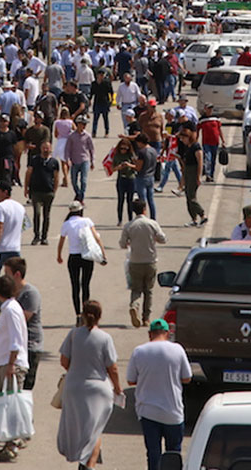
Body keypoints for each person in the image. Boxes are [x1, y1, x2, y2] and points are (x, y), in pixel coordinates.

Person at [56, 300, 122, 470]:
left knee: (79, 428)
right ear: (100, 317)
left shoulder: (73, 334)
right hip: (98, 389)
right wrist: (118, 388)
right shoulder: (105, 338)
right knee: (95, 430)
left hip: (74, 388)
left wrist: (77, 371)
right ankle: (89, 465)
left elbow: (64, 361)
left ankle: (84, 461)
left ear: (83, 315)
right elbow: (112, 368)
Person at [127, 318, 192, 470]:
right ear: (168, 333)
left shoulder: (139, 351)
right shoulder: (177, 350)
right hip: (173, 411)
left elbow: (130, 380)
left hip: (148, 411)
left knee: (153, 453)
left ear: (150, 334)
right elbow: (187, 378)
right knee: (173, 453)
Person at [0, 274, 31, 463]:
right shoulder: (10, 308)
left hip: (10, 363)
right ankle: (11, 440)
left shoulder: (11, 310)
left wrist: (11, 364)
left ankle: (12, 443)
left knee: (8, 404)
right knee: (2, 402)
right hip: (5, 361)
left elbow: (15, 340)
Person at [119, 199, 166, 328]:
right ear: (145, 209)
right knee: (149, 291)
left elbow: (122, 244)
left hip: (135, 261)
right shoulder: (152, 223)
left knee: (136, 289)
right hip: (150, 260)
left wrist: (130, 242)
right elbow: (163, 239)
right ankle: (146, 318)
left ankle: (134, 305)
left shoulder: (129, 225)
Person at [57, 202, 106, 322]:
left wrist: (59, 255)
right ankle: (86, 311)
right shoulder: (87, 221)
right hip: (87, 256)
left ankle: (78, 314)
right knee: (85, 285)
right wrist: (103, 255)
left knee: (75, 286)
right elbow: (96, 238)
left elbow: (62, 241)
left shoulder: (67, 224)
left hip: (73, 257)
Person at [1, 257, 43, 389]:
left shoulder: (30, 294)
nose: (4, 277)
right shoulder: (10, 293)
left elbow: (19, 321)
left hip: (29, 346)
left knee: (23, 390)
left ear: (17, 274)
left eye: (7, 273)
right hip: (11, 346)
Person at [0, 181, 25, 301]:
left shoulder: (0, 206)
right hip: (15, 248)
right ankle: (16, 300)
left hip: (2, 249)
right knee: (15, 279)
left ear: (5, 192)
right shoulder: (20, 207)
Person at [24, 139, 60, 246]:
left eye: (47, 148)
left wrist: (54, 190)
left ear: (51, 149)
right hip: (36, 192)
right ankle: (36, 236)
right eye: (44, 147)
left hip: (48, 192)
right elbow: (28, 173)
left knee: (46, 215)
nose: (45, 150)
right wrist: (26, 187)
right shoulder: (34, 160)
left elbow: (56, 177)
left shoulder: (54, 162)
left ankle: (44, 237)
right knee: (37, 213)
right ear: (40, 148)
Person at [177, 126, 207, 227]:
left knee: (191, 196)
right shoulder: (187, 147)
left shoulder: (196, 147)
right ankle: (193, 219)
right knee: (188, 196)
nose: (182, 140)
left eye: (183, 138)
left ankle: (202, 215)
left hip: (194, 172)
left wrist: (198, 177)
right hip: (188, 171)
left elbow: (200, 162)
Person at [63, 115, 95, 203]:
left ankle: (81, 197)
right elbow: (67, 149)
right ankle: (77, 193)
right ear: (78, 124)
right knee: (73, 180)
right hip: (75, 161)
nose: (84, 126)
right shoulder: (71, 136)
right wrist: (67, 160)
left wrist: (92, 161)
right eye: (82, 124)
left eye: (85, 124)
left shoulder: (87, 136)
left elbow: (91, 149)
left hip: (85, 160)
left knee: (83, 180)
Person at [110, 136, 140, 226]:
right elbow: (112, 169)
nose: (123, 150)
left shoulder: (131, 155)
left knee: (130, 201)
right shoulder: (117, 156)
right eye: (121, 148)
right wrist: (118, 167)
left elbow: (137, 166)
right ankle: (120, 219)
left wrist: (129, 165)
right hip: (121, 179)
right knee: (120, 200)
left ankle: (130, 219)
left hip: (131, 179)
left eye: (125, 148)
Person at [132, 133, 158, 220]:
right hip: (151, 176)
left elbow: (138, 168)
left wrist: (130, 164)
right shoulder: (153, 150)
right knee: (151, 200)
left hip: (142, 177)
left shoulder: (142, 152)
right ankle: (153, 218)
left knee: (142, 200)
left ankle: (143, 218)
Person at [197, 105, 223, 181]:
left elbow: (219, 129)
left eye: (211, 108)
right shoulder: (202, 119)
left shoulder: (216, 118)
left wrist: (223, 140)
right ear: (205, 109)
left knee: (213, 160)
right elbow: (197, 130)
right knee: (208, 158)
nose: (210, 110)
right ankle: (208, 174)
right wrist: (195, 141)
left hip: (215, 142)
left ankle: (211, 175)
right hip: (206, 142)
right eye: (208, 108)